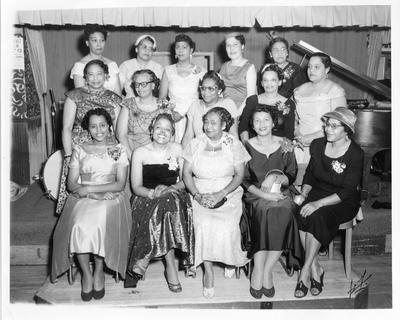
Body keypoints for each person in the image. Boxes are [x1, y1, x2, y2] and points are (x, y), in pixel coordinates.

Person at [51, 108, 131, 302]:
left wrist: (94, 191)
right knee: (79, 225)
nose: (98, 130)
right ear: (88, 128)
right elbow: (71, 184)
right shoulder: (79, 149)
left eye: (102, 125)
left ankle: (99, 272)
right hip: (83, 196)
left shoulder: (119, 149)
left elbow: (120, 183)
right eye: (93, 126)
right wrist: (90, 192)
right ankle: (86, 273)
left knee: (98, 224)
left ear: (109, 126)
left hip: (111, 196)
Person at [294, 107, 363, 298]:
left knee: (317, 214)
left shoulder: (355, 154)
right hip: (318, 191)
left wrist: (319, 203)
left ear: (346, 129)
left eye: (334, 126)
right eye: (326, 124)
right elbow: (309, 174)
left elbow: (348, 190)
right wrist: (304, 192)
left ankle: (304, 272)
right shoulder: (317, 145)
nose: (328, 129)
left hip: (343, 200)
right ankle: (316, 269)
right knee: (298, 208)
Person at [182, 107, 251, 299]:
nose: (208, 126)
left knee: (227, 224)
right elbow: (187, 173)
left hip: (228, 190)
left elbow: (239, 175)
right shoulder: (196, 143)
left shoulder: (233, 144)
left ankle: (229, 259)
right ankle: (209, 272)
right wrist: (196, 195)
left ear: (224, 125)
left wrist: (222, 194)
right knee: (203, 224)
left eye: (213, 123)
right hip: (200, 191)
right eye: (206, 122)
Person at [125, 113, 194, 292]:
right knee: (163, 207)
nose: (162, 132)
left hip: (174, 196)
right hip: (146, 197)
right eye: (158, 127)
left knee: (168, 204)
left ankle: (144, 260)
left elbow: (185, 180)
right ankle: (170, 268)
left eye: (167, 129)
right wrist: (153, 193)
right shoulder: (140, 152)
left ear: (172, 134)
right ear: (151, 130)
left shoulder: (178, 149)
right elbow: (136, 187)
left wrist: (170, 188)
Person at [241, 105, 303, 299]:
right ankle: (257, 270)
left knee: (286, 209)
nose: (262, 124)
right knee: (263, 212)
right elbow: (243, 179)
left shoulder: (285, 143)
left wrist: (276, 177)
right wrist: (264, 194)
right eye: (257, 120)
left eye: (266, 120)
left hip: (281, 193)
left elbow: (292, 174)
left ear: (273, 122)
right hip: (255, 195)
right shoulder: (245, 146)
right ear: (252, 124)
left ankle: (268, 269)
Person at [56, 59, 122, 214]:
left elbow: (118, 131)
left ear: (106, 76)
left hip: (106, 145)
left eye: (99, 74)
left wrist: (120, 154)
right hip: (80, 146)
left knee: (107, 193)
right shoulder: (74, 95)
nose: (95, 78)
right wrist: (68, 155)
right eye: (90, 74)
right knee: (80, 196)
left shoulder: (114, 98)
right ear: (85, 76)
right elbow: (66, 128)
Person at [293, 52, 347, 185]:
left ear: (327, 69)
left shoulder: (335, 91)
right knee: (297, 183)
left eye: (317, 67)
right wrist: (297, 133)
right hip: (300, 142)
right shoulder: (299, 91)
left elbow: (338, 124)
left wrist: (310, 138)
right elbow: (293, 119)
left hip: (325, 140)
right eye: (310, 66)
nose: (311, 70)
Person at [159, 34, 207, 143]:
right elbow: (161, 98)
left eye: (184, 47)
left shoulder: (201, 72)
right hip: (173, 116)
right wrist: (171, 112)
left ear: (191, 50)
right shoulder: (168, 70)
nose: (180, 50)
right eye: (177, 47)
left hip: (195, 116)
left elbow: (205, 98)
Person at [181, 70, 239, 148]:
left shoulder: (228, 104)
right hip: (199, 151)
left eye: (211, 89)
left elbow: (233, 134)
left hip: (222, 150)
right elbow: (188, 136)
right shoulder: (194, 106)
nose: (205, 92)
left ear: (219, 90)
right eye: (203, 88)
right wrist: (184, 156)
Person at [239, 64, 296, 142]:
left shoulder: (288, 103)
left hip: (278, 146)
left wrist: (283, 152)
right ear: (262, 83)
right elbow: (243, 128)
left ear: (279, 82)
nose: (269, 83)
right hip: (254, 145)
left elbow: (289, 133)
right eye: (265, 80)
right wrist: (247, 148)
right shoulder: (252, 101)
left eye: (273, 80)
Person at [116, 69, 164, 159]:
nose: (139, 88)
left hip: (157, 155)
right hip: (131, 152)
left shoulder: (163, 106)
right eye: (137, 84)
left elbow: (170, 136)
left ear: (153, 85)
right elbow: (121, 135)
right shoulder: (128, 104)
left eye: (143, 84)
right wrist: (132, 157)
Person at [70, 24, 122, 96]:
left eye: (102, 40)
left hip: (113, 105)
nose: (99, 44)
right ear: (87, 43)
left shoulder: (112, 64)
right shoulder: (80, 66)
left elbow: (118, 95)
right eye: (94, 40)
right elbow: (81, 96)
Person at [219, 32, 257, 114]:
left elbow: (250, 96)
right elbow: (220, 93)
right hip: (225, 110)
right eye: (228, 45)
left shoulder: (249, 67)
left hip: (243, 111)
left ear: (242, 46)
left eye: (235, 44)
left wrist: (236, 114)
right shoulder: (223, 66)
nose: (231, 48)